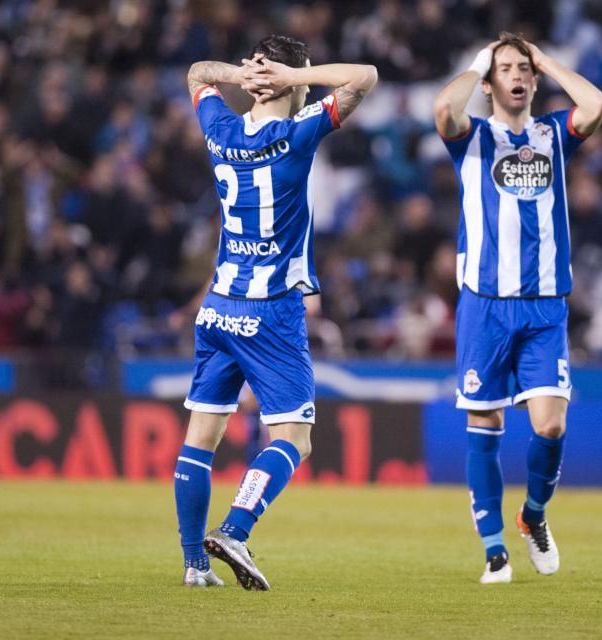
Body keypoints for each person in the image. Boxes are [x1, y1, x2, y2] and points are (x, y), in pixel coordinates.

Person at [173, 35, 376, 590]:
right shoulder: (297, 133)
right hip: (271, 312)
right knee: (294, 437)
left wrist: (244, 76)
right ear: (296, 78)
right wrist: (291, 78)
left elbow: (195, 72)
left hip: (218, 306)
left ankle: (194, 564)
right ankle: (236, 529)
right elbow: (364, 75)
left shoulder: (220, 128)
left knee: (201, 438)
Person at [433, 32, 602, 583]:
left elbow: (598, 105)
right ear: (488, 84)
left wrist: (546, 60)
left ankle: (532, 516)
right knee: (484, 425)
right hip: (485, 305)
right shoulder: (472, 137)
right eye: (505, 69)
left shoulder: (554, 134)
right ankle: (494, 552)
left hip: (544, 306)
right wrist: (478, 60)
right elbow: (443, 107)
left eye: (522, 68)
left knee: (550, 425)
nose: (517, 75)